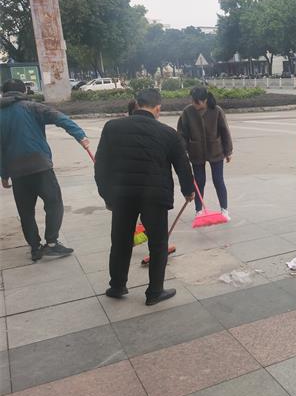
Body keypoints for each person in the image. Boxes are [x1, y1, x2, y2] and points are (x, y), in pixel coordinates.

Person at [94, 89, 195, 305]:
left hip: (122, 196)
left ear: (137, 104)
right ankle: (155, 292)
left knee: (120, 241)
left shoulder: (112, 127)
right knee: (158, 244)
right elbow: (183, 166)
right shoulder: (168, 133)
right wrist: (188, 191)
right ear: (158, 108)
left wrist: (107, 196)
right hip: (154, 197)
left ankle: (117, 286)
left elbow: (101, 165)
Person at [0, 79, 89, 262]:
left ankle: (35, 248)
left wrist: (4, 174)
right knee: (54, 202)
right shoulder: (32, 107)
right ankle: (52, 243)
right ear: (24, 91)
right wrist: (80, 136)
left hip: (17, 171)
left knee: (26, 212)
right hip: (39, 166)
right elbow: (60, 118)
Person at [177, 86, 233, 219]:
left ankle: (224, 209)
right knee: (199, 181)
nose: (194, 104)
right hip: (196, 151)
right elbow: (182, 134)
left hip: (215, 150)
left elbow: (224, 131)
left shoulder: (217, 111)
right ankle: (199, 210)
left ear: (205, 100)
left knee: (218, 180)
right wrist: (183, 150)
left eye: (197, 102)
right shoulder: (187, 112)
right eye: (192, 101)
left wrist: (228, 151)